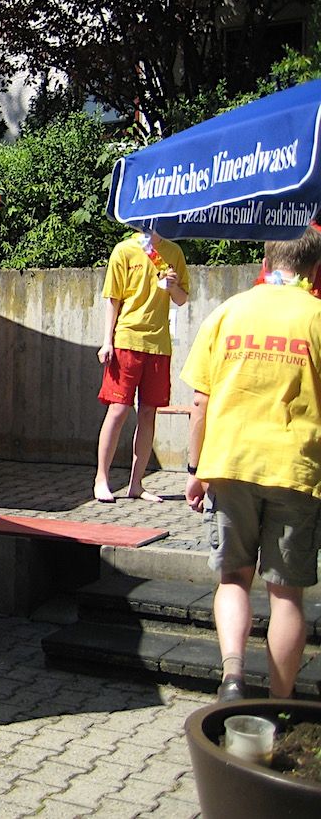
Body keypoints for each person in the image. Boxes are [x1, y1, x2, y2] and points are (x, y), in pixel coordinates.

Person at [182, 230, 321, 701]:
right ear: (314, 268)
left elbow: (200, 402)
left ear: (266, 258)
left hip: (229, 463)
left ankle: (233, 678)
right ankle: (281, 704)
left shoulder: (228, 312)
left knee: (233, 578)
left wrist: (195, 470)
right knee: (286, 595)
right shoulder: (318, 317)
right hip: (296, 469)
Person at [93, 229, 189, 503]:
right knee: (118, 409)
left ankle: (137, 484)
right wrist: (107, 341)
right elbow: (112, 299)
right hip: (126, 339)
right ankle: (101, 479)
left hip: (158, 344)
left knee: (148, 413)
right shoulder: (124, 250)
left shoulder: (174, 252)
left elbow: (182, 299)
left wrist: (173, 286)